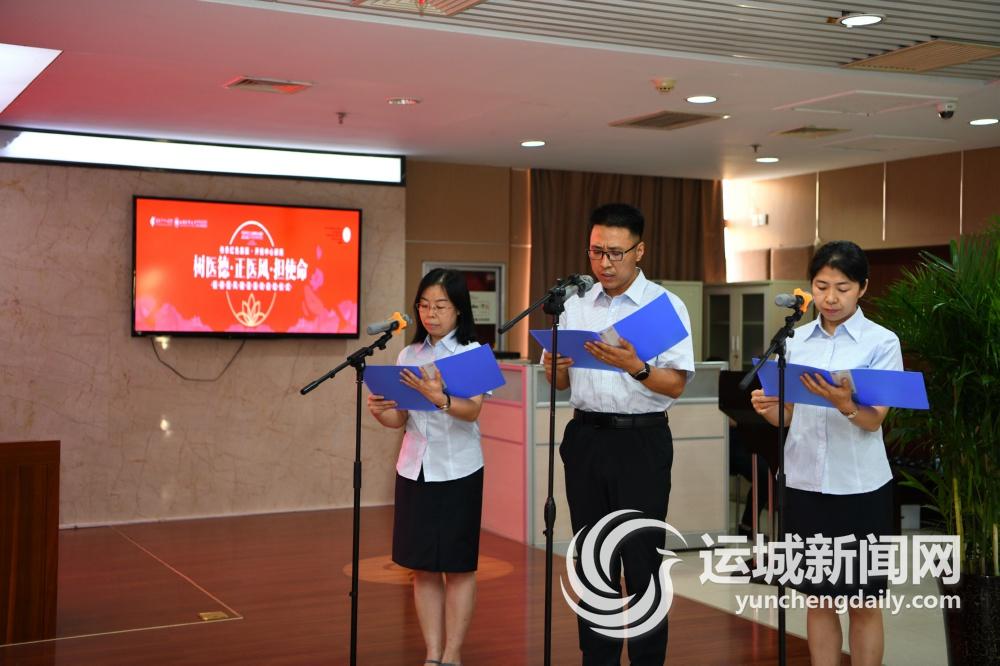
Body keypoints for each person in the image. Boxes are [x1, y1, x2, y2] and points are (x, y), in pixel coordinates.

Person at [544, 203, 695, 666]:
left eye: (615, 253)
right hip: (586, 439)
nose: (604, 263)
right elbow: (562, 384)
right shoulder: (574, 305)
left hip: (640, 443)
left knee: (642, 560)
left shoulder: (665, 307)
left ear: (639, 251)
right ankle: (598, 659)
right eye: (596, 252)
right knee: (592, 562)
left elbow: (676, 384)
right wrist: (554, 367)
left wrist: (637, 366)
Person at [750, 240, 902, 666]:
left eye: (842, 288)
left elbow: (873, 421)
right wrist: (770, 409)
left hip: (859, 487)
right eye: (821, 287)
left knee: (863, 601)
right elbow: (788, 418)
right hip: (804, 484)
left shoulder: (881, 342)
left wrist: (844, 403)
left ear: (863, 288)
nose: (830, 298)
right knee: (818, 599)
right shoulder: (794, 341)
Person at [367, 268, 485, 666]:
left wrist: (441, 398)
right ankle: (432, 653)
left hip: (458, 470)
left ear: (458, 309)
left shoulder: (471, 353)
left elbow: (472, 411)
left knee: (458, 567)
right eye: (423, 305)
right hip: (414, 469)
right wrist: (381, 412)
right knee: (423, 568)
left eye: (440, 306)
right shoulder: (409, 355)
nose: (430, 314)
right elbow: (401, 419)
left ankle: (453, 653)